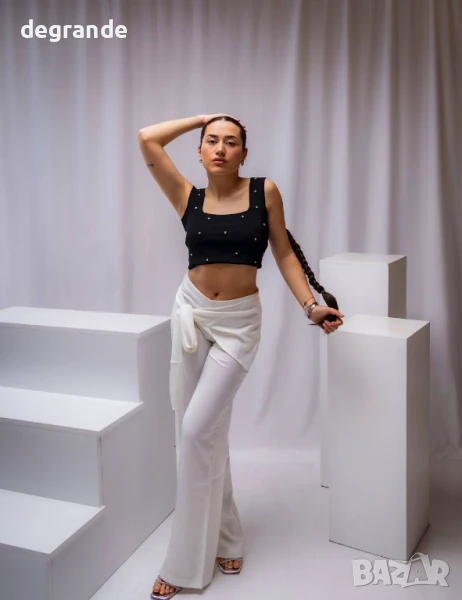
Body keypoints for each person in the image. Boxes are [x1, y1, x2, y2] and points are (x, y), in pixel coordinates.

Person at [137, 114, 344, 599]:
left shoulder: (263, 191)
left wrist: (310, 306)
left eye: (231, 142)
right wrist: (202, 118)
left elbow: (284, 253)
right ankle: (228, 536)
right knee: (205, 434)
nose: (220, 148)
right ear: (199, 150)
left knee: (195, 432)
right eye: (211, 140)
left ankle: (182, 565)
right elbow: (147, 139)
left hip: (238, 325)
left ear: (244, 153)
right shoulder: (186, 196)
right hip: (191, 315)